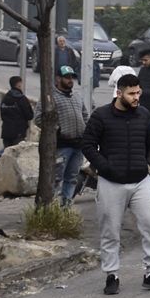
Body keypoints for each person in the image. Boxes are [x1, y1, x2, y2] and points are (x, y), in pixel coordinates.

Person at [81, 73, 150, 295]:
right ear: (119, 92)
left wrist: (149, 163)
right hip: (111, 183)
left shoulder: (144, 114)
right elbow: (88, 145)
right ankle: (112, 275)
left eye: (138, 92)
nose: (136, 97)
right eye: (131, 93)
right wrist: (106, 167)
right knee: (110, 231)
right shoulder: (101, 115)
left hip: (141, 181)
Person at [34, 65, 89, 206]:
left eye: (72, 77)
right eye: (67, 77)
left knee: (72, 178)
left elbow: (85, 115)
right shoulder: (50, 97)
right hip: (62, 145)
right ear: (58, 78)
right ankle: (50, 209)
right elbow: (39, 118)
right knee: (56, 178)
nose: (70, 80)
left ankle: (65, 208)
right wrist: (57, 130)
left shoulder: (76, 96)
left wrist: (86, 131)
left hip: (78, 146)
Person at [0, 76, 33, 148]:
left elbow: (2, 115)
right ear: (19, 85)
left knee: (8, 152)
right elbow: (30, 116)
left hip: (6, 132)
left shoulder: (5, 98)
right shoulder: (22, 99)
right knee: (18, 152)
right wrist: (30, 109)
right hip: (19, 132)